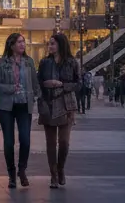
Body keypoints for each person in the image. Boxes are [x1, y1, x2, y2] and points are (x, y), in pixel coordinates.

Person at [0, 32, 36, 189]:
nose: (22, 45)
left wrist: (38, 97)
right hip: (6, 107)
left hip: (24, 105)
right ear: (11, 45)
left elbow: (35, 84)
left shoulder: (29, 62)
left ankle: (22, 170)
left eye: (23, 42)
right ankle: (11, 174)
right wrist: (10, 88)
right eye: (19, 42)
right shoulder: (2, 63)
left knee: (25, 139)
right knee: (9, 142)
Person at [39, 32, 80, 189]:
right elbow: (38, 81)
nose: (50, 46)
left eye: (53, 44)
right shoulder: (44, 63)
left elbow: (79, 83)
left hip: (66, 103)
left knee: (64, 142)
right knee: (50, 143)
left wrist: (62, 85)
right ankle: (53, 174)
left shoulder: (71, 62)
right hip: (48, 103)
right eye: (49, 44)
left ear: (61, 45)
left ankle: (61, 167)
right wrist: (45, 85)